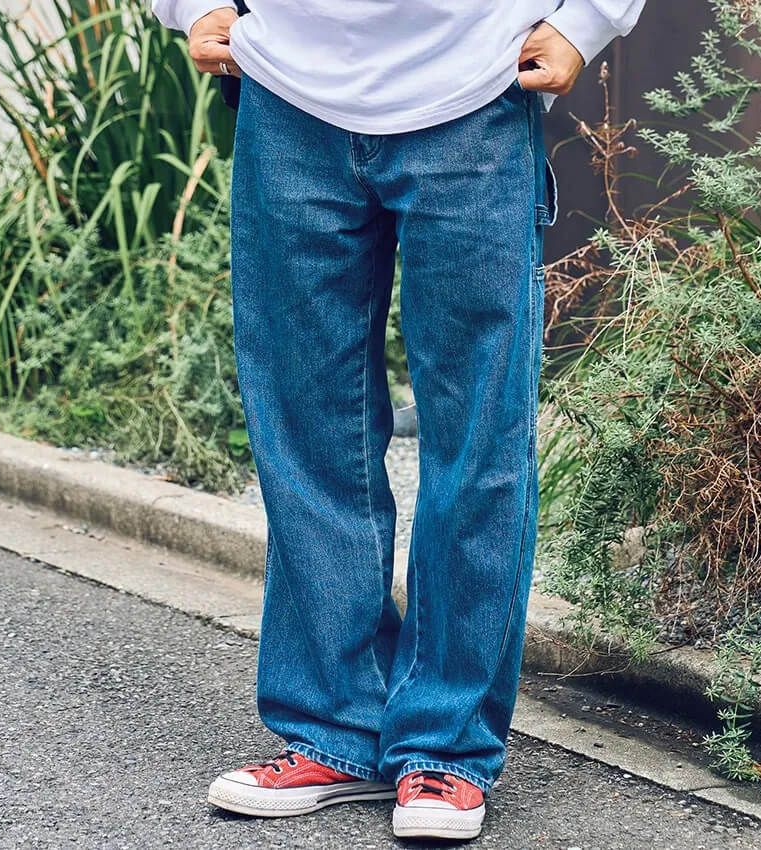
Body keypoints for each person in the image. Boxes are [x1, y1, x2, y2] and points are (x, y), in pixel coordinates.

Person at [151, 0, 645, 840]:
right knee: (308, 432)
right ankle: (333, 731)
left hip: (475, 89)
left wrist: (587, 21)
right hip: (286, 93)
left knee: (478, 436)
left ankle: (445, 747)